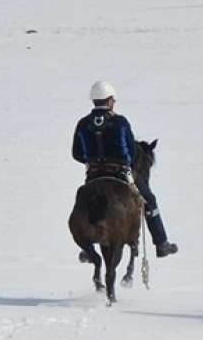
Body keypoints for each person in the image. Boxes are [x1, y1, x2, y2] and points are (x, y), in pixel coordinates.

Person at [72, 81, 177, 257]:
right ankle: (161, 243)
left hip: (94, 174)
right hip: (119, 172)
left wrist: (91, 161)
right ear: (110, 100)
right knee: (149, 199)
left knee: (84, 201)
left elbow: (76, 153)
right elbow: (129, 149)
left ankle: (86, 248)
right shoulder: (119, 122)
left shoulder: (83, 123)